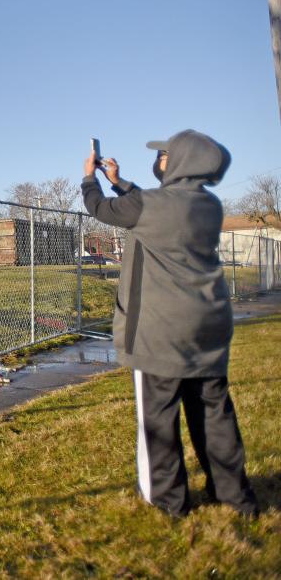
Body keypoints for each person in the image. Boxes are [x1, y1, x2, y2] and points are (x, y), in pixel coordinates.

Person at [81, 129, 258, 518]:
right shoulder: (207, 205)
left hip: (162, 333)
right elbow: (150, 205)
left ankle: (167, 501)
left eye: (164, 154)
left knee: (158, 419)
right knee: (213, 412)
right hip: (208, 327)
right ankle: (234, 496)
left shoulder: (152, 206)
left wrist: (91, 177)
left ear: (178, 162)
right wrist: (121, 182)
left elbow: (101, 209)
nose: (160, 159)